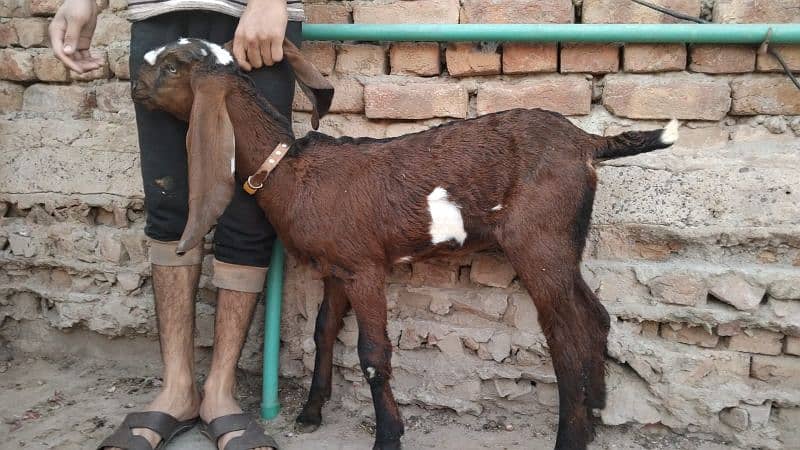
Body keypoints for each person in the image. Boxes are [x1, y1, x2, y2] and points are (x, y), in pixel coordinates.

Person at [49, 0, 304, 448]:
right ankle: (177, 389)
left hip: (252, 18)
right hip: (158, 14)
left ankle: (220, 394)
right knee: (168, 207)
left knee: (248, 215)